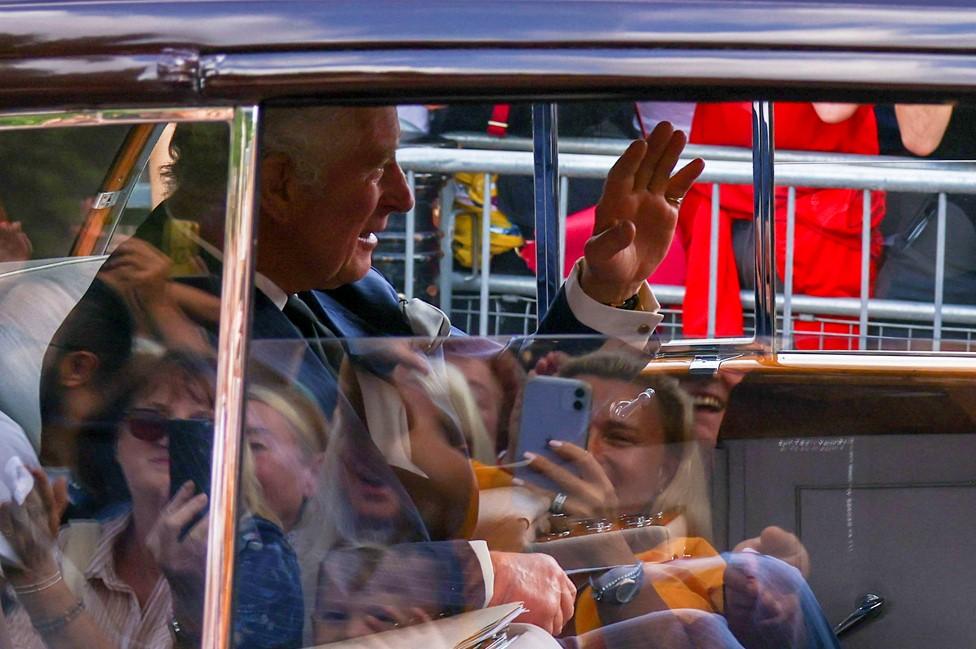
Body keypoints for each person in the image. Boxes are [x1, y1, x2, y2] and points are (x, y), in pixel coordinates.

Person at [0, 352, 304, 649]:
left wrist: (41, 582)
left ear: (232, 452)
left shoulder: (261, 558)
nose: (169, 437)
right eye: (150, 422)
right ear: (117, 442)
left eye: (201, 428)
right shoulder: (69, 548)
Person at [679, 102, 885, 348]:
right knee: (715, 364)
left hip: (817, 214)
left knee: (821, 361)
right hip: (720, 205)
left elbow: (832, 110)